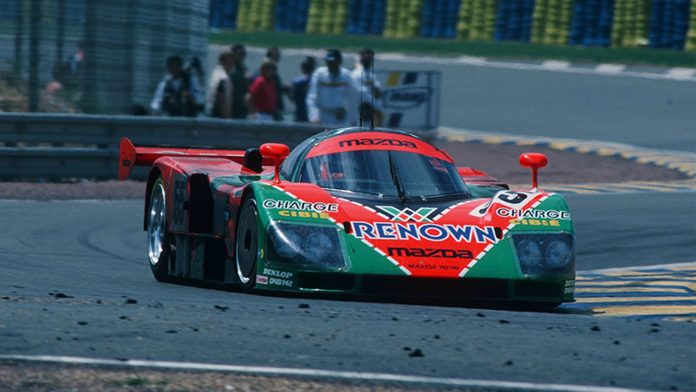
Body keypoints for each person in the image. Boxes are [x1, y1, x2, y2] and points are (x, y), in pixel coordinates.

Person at [306, 49, 356, 127]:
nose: (330, 64)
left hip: (341, 116)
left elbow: (353, 99)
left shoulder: (347, 76)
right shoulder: (320, 74)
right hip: (323, 116)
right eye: (328, 62)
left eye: (333, 62)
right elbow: (312, 97)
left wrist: (352, 119)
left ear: (339, 62)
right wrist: (314, 116)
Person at [351, 48, 383, 127]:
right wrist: (376, 108)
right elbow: (362, 93)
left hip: (371, 111)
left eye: (370, 58)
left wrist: (377, 109)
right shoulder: (356, 74)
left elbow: (378, 92)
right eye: (365, 57)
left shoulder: (371, 74)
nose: (368, 59)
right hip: (359, 110)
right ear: (361, 58)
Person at [206, 51, 235, 118]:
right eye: (229, 62)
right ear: (221, 62)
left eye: (232, 63)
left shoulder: (214, 74)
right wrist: (227, 119)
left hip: (209, 113)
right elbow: (223, 100)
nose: (231, 65)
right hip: (218, 116)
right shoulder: (224, 78)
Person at [291, 56, 316, 122]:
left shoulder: (297, 81)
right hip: (313, 112)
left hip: (300, 111)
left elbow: (293, 97)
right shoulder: (316, 80)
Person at [229, 44, 250, 119]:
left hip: (243, 109)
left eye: (244, 54)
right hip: (233, 108)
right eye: (240, 54)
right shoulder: (229, 68)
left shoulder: (243, 68)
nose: (242, 56)